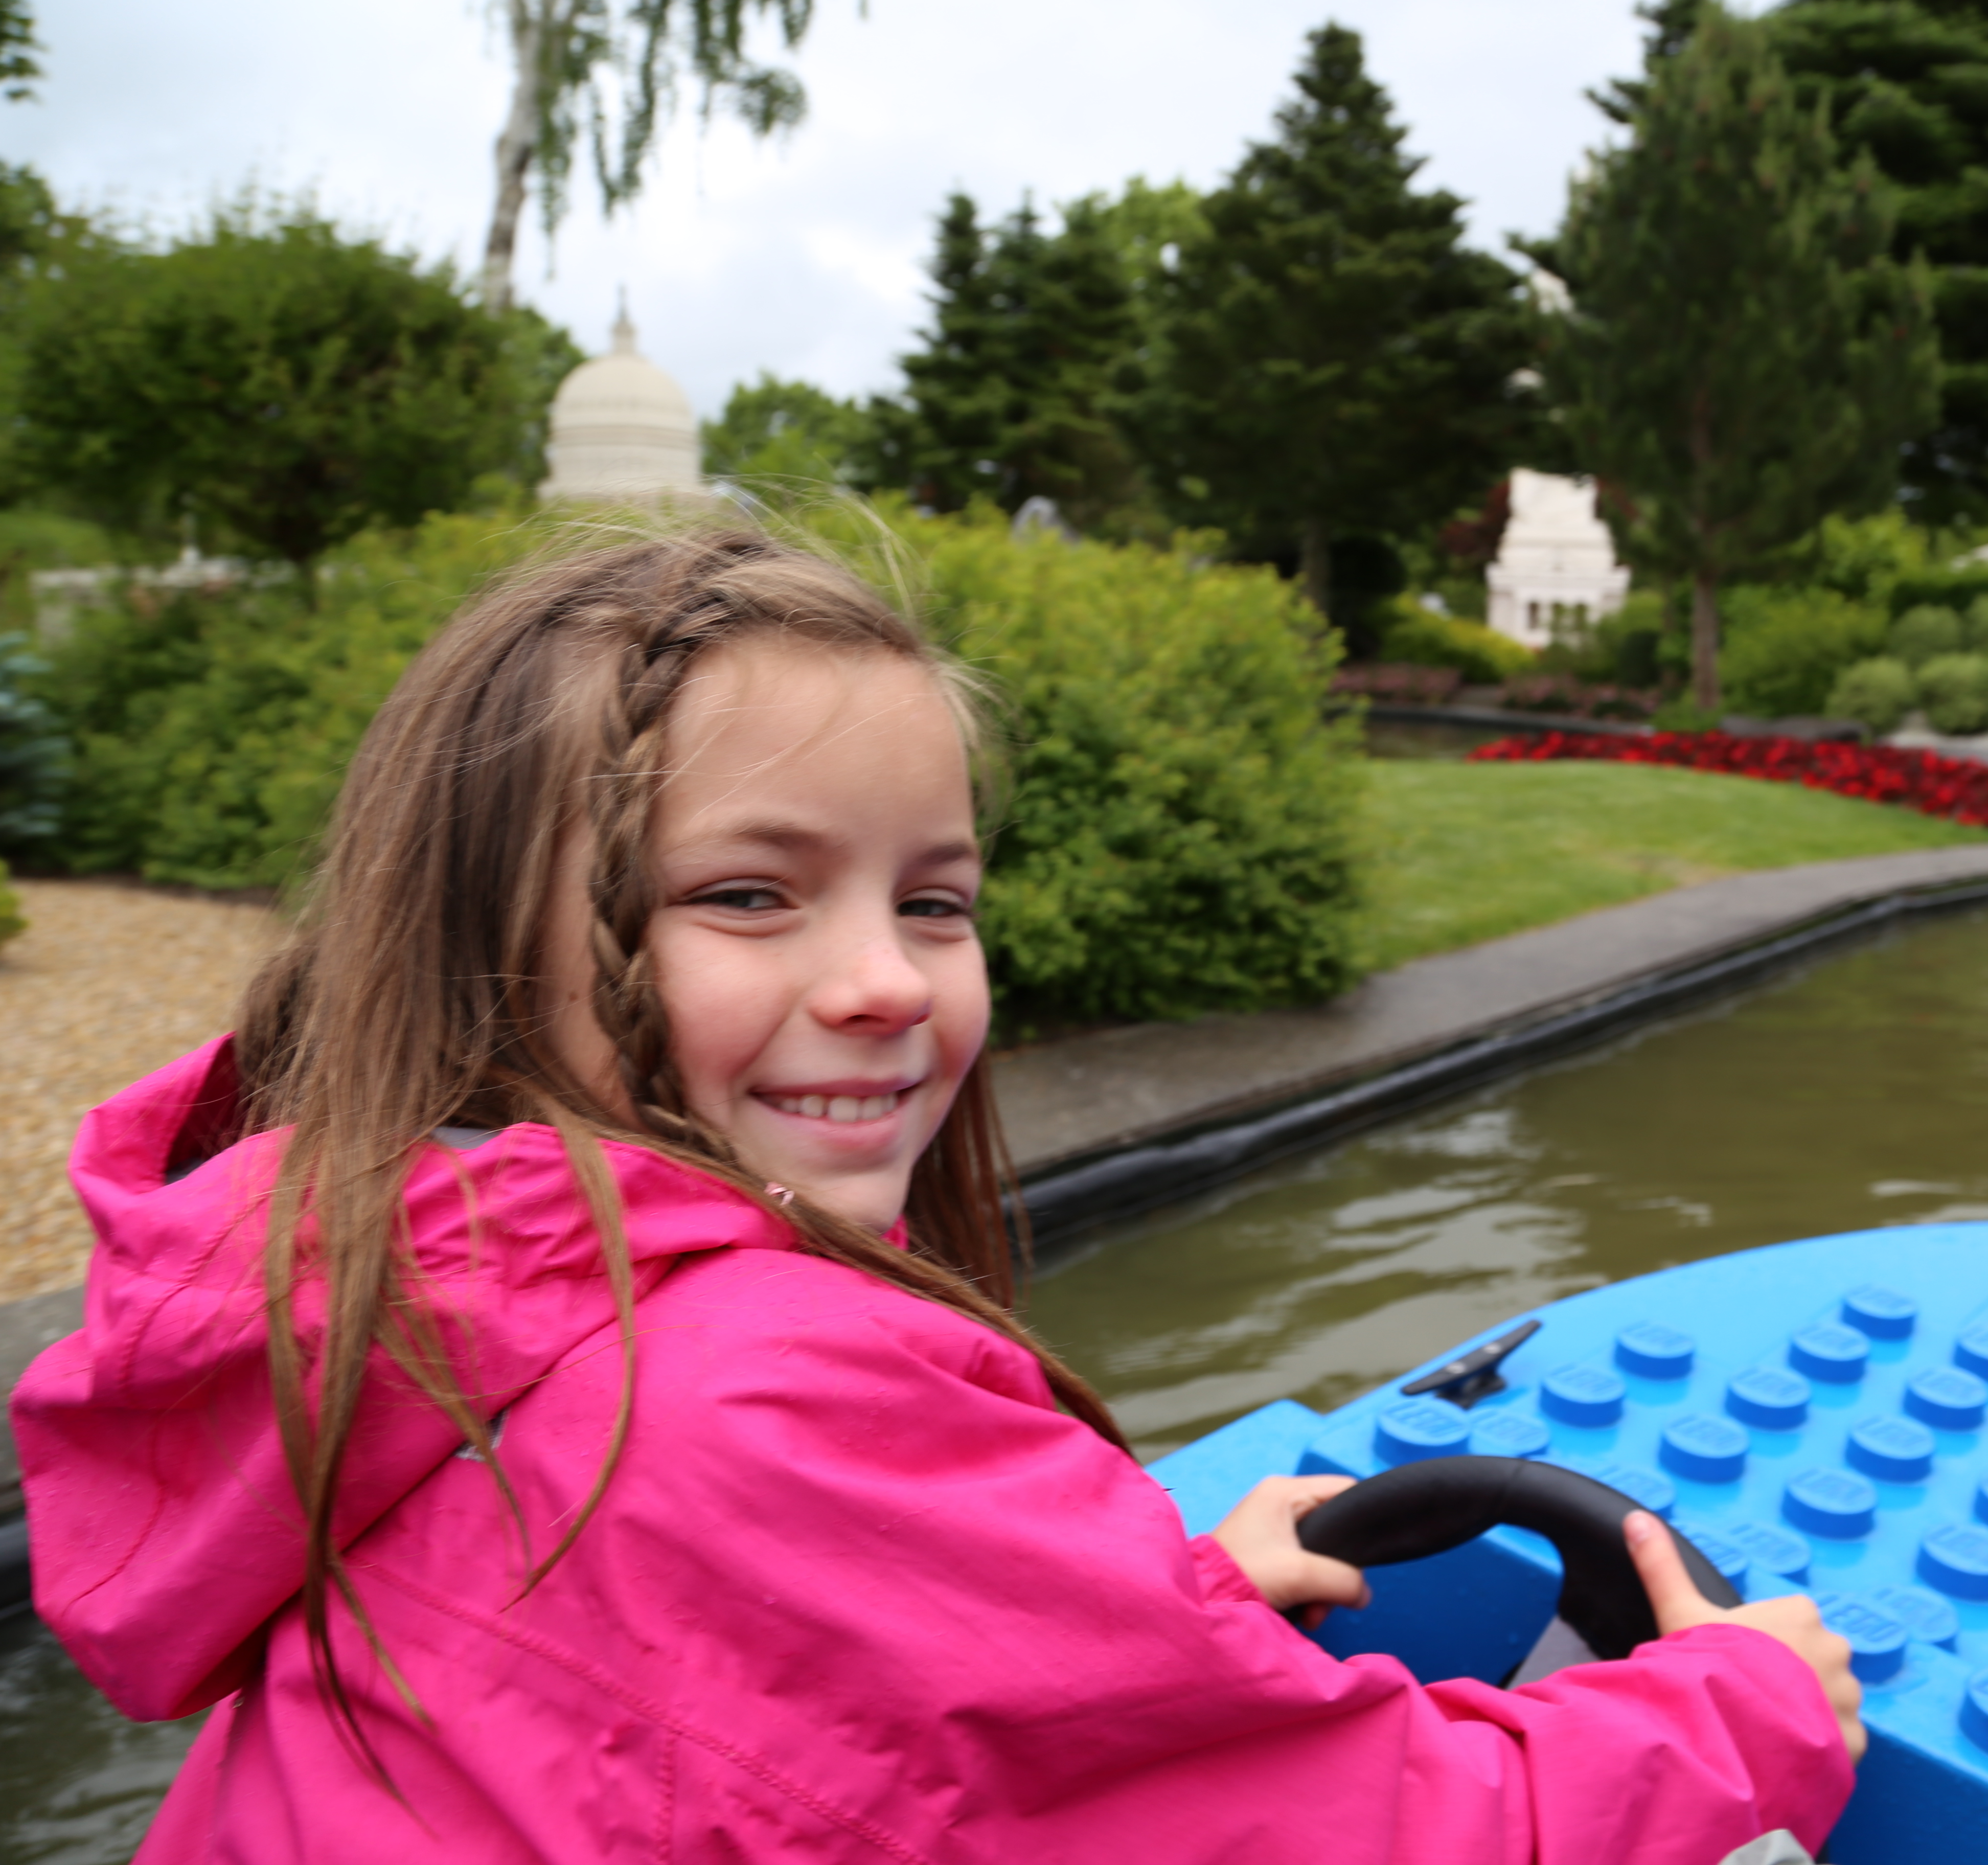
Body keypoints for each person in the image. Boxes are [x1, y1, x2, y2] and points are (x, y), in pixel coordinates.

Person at [12, 532, 1861, 1862]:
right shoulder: (751, 1399)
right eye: (748, 896)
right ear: (483, 950)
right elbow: (1352, 1832)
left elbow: (735, 1716)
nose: (892, 979)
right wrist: (1742, 1713)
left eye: (933, 898)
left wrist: (1146, 1610)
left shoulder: (404, 1306)